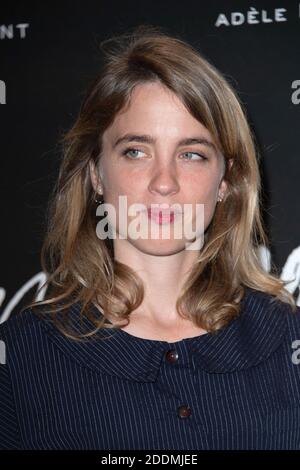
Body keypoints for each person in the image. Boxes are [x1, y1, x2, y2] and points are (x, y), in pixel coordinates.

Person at [0, 24, 299, 451]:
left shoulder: (289, 341)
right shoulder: (20, 358)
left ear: (226, 181)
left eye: (191, 154)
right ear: (94, 174)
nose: (164, 182)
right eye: (136, 151)